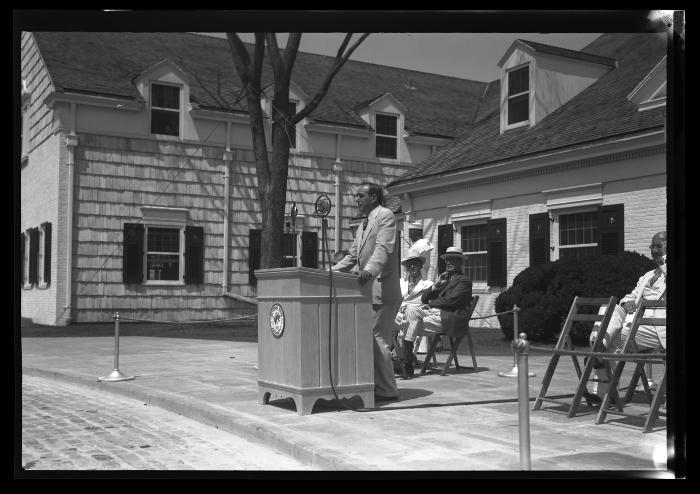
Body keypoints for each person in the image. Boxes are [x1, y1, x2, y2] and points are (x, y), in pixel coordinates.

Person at [331, 182, 402, 401]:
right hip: (367, 292)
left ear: (373, 197)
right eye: (356, 196)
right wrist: (329, 272)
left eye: (360, 196)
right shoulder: (364, 224)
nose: (357, 200)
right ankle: (376, 385)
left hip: (383, 291)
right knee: (370, 338)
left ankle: (387, 389)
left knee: (377, 338)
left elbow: (383, 249)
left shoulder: (386, 216)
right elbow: (352, 256)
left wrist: (368, 271)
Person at [586, 231, 668, 403]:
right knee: (607, 311)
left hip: (658, 327)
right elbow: (631, 295)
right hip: (635, 324)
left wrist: (665, 262)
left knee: (608, 339)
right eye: (651, 247)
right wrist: (626, 303)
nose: (653, 250)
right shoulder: (647, 276)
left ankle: (596, 356)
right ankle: (598, 355)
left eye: (658, 246)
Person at [394, 246, 473, 370]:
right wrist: (436, 286)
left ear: (460, 262)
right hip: (432, 314)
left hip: (447, 318)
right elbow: (424, 299)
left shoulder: (464, 281)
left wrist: (431, 304)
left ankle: (404, 361)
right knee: (410, 311)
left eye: (453, 259)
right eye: (447, 259)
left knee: (406, 321)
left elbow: (451, 301)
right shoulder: (445, 280)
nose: (448, 262)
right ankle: (407, 359)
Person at [392, 244, 435, 377]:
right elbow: (394, 301)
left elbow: (429, 304)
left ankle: (406, 359)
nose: (413, 266)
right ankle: (388, 357)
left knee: (411, 311)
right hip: (401, 314)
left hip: (420, 312)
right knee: (384, 315)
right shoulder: (399, 283)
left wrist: (408, 308)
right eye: (410, 264)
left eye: (415, 263)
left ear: (421, 266)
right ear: (406, 267)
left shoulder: (428, 285)